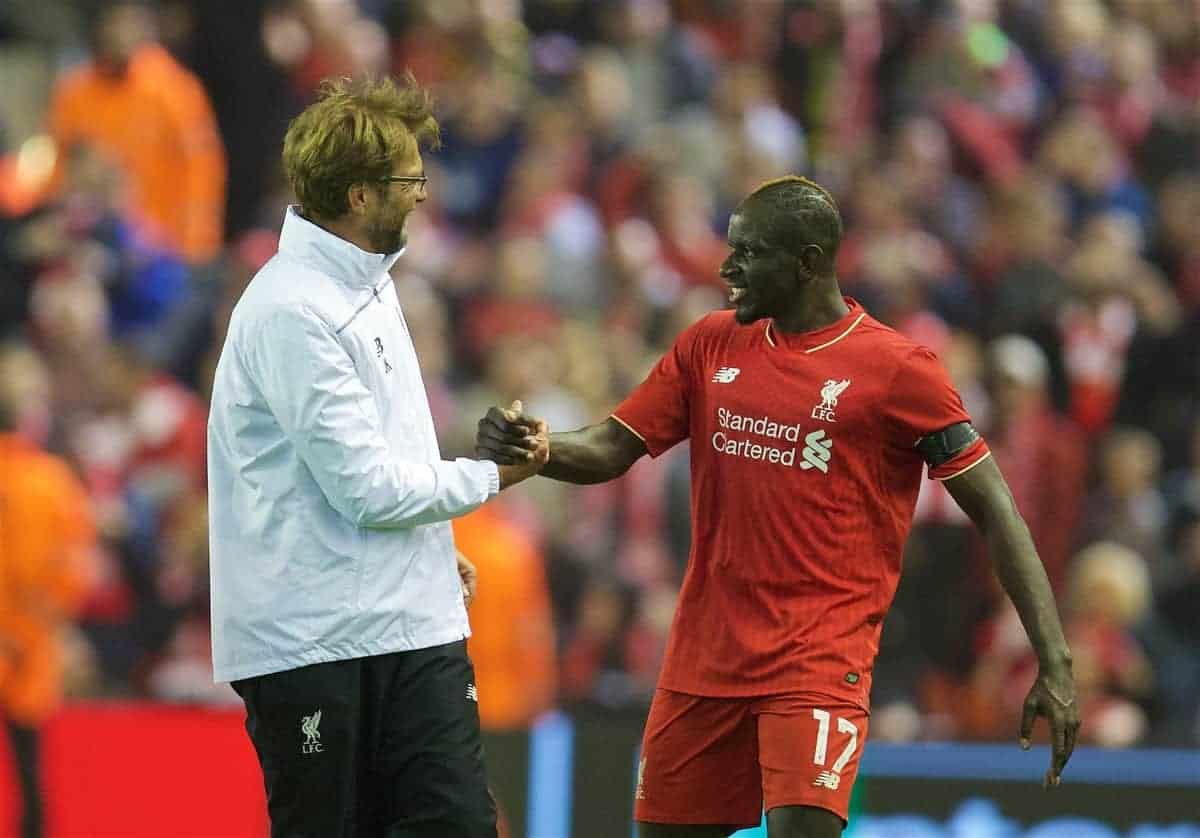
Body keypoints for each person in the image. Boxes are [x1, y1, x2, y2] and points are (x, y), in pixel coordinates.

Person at [476, 175, 1081, 838]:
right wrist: (538, 446)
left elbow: (997, 509)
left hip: (815, 664)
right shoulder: (709, 345)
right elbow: (611, 448)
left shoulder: (898, 369)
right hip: (702, 664)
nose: (726, 267)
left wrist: (1054, 660)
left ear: (810, 263)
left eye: (749, 253)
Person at [207, 75, 548, 838]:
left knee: (459, 825)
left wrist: (428, 548)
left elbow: (376, 455)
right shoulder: (291, 308)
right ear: (359, 195)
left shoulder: (370, 282)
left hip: (410, 622)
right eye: (409, 177)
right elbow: (363, 488)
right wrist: (494, 475)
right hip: (313, 640)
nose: (424, 194)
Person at [0, 340, 97, 838]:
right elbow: (72, 572)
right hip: (26, 650)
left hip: (20, 643)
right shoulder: (50, 482)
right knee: (30, 784)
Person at [46, 1, 226, 263]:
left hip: (161, 250)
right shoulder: (73, 91)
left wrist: (197, 245)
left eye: (129, 22)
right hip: (93, 244)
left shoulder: (175, 90)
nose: (120, 33)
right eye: (114, 22)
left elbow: (202, 170)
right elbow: (59, 168)